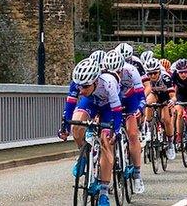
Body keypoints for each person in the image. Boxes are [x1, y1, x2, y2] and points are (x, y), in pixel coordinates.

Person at [59, 55, 124, 204]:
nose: (81, 89)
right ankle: (83, 155)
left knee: (106, 143)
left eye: (85, 86)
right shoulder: (78, 83)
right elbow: (70, 106)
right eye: (79, 86)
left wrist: (116, 130)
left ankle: (103, 192)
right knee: (76, 124)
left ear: (95, 81)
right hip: (92, 103)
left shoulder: (109, 83)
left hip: (109, 107)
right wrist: (65, 127)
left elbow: (117, 110)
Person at [115, 48, 147, 194]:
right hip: (113, 101)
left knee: (133, 134)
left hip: (130, 100)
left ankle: (137, 174)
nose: (116, 74)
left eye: (118, 71)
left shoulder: (132, 70)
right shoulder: (105, 73)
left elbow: (142, 95)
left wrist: (140, 108)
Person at [143, 57, 176, 160]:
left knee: (166, 120)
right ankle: (149, 128)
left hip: (165, 97)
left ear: (159, 72)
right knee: (148, 103)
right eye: (150, 73)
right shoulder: (146, 78)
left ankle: (170, 143)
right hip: (154, 94)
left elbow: (173, 95)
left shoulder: (165, 77)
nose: (152, 76)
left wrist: (172, 101)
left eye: (155, 73)